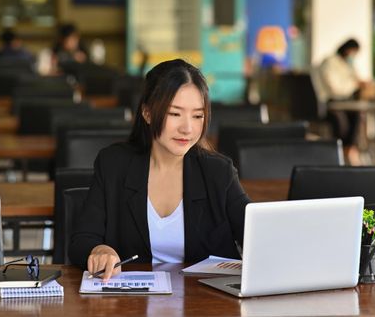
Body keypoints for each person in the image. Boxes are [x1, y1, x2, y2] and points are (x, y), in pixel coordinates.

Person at [68, 59, 251, 280]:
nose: (187, 128)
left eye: (198, 116)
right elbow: (83, 239)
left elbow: (256, 237)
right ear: (147, 113)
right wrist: (99, 250)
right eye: (175, 114)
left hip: (207, 304)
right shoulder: (114, 164)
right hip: (132, 304)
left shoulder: (218, 171)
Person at [317, 38, 374, 165]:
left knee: (357, 116)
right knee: (341, 123)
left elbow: (355, 79)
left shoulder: (348, 64)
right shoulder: (329, 63)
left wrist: (360, 83)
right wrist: (354, 84)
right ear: (347, 49)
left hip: (348, 102)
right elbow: (335, 88)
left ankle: (350, 149)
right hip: (332, 103)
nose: (353, 56)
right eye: (353, 52)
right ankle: (340, 151)